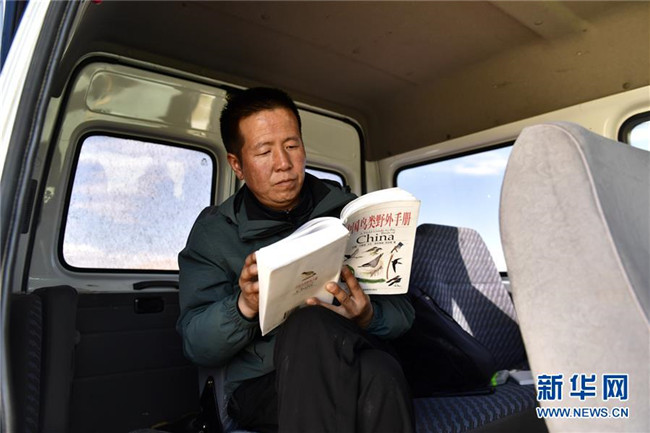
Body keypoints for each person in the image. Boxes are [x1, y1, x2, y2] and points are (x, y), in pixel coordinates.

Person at [177, 87, 415, 433]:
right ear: (237, 165)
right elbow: (196, 345)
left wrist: (368, 315)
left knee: (381, 369)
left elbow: (403, 315)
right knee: (338, 343)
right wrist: (244, 306)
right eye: (264, 151)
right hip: (264, 383)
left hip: (352, 354)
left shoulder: (346, 213)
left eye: (291, 146)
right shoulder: (215, 233)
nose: (283, 164)